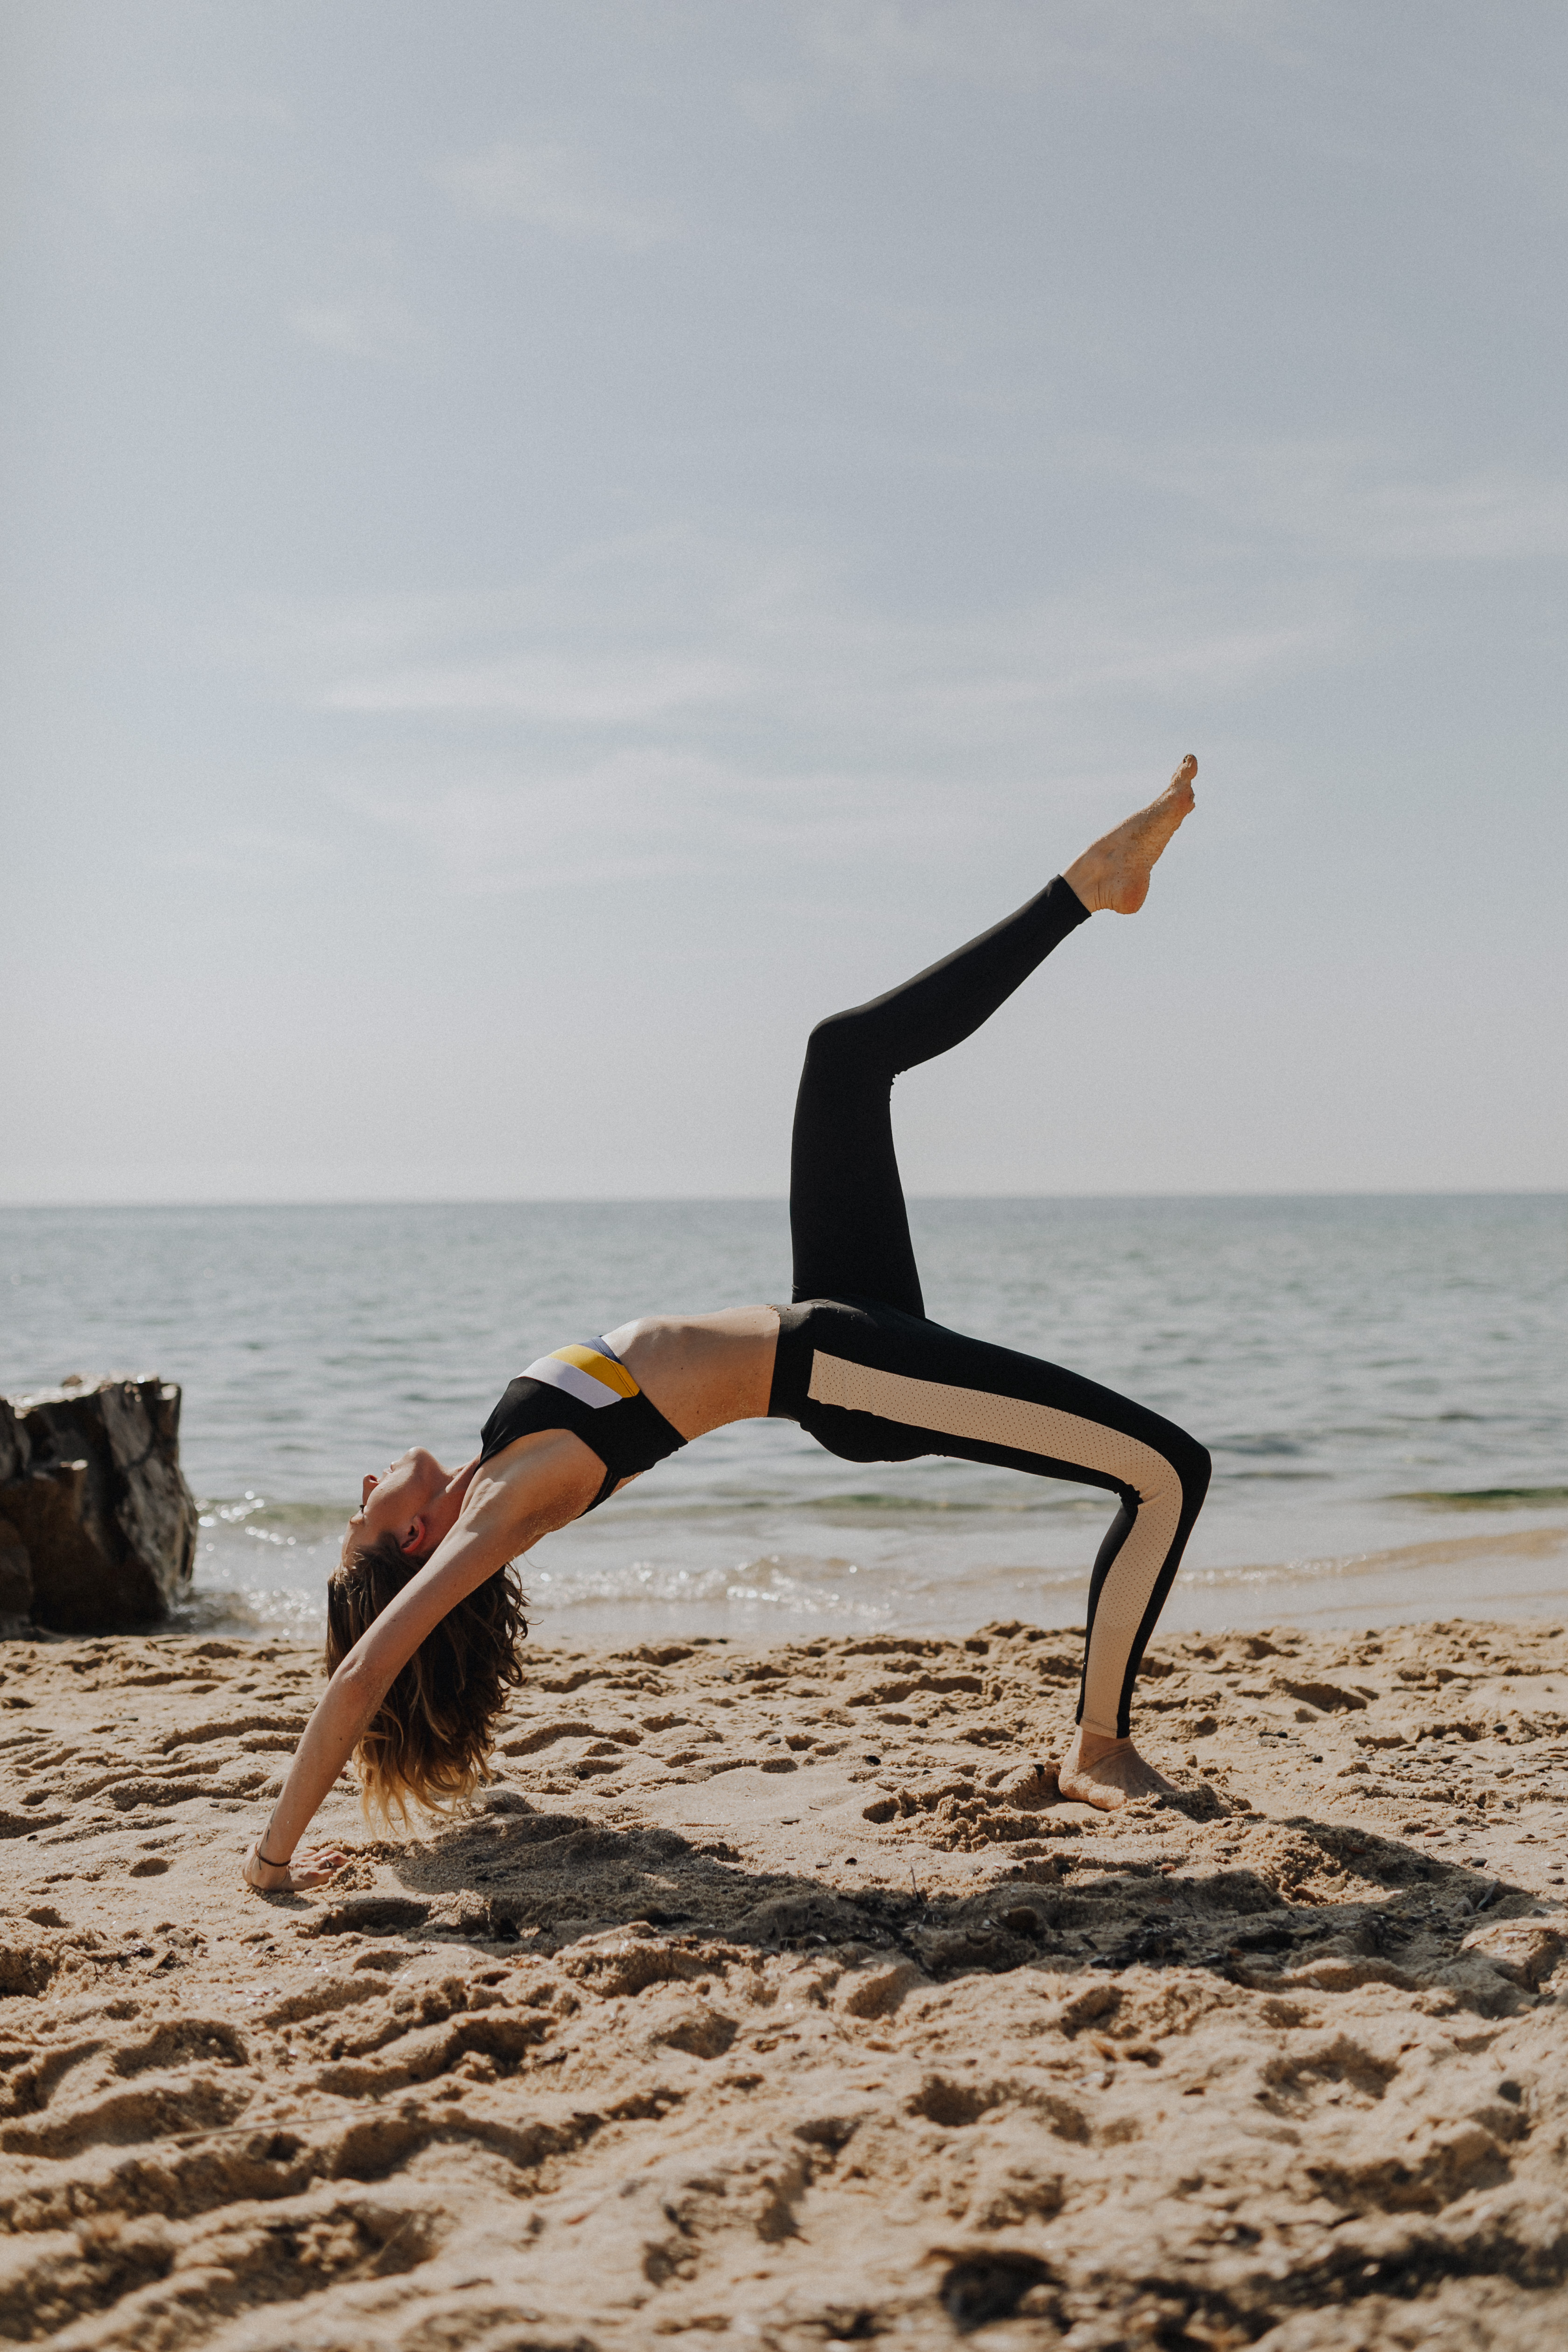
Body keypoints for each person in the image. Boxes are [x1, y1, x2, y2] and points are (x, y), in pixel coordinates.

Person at [245, 759, 1210, 1893]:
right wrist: (271, 1864)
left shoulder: (495, 1455)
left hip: (839, 1321)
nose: (367, 1488)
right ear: (411, 1548)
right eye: (366, 1519)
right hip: (846, 1374)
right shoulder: (500, 1510)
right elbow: (363, 1676)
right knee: (1167, 1471)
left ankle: (1092, 889)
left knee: (840, 1056)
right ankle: (1098, 1745)